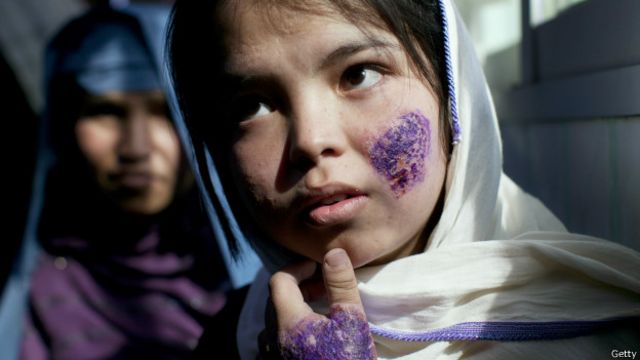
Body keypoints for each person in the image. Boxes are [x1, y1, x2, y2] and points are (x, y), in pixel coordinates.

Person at [167, 0, 640, 358]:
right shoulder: (233, 339)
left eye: (359, 74)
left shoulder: (609, 332)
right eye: (251, 106)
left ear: (453, 93)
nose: (311, 140)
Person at [0, 4, 258, 360]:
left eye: (164, 112)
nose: (136, 148)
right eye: (105, 111)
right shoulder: (48, 290)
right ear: (65, 126)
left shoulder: (271, 265)